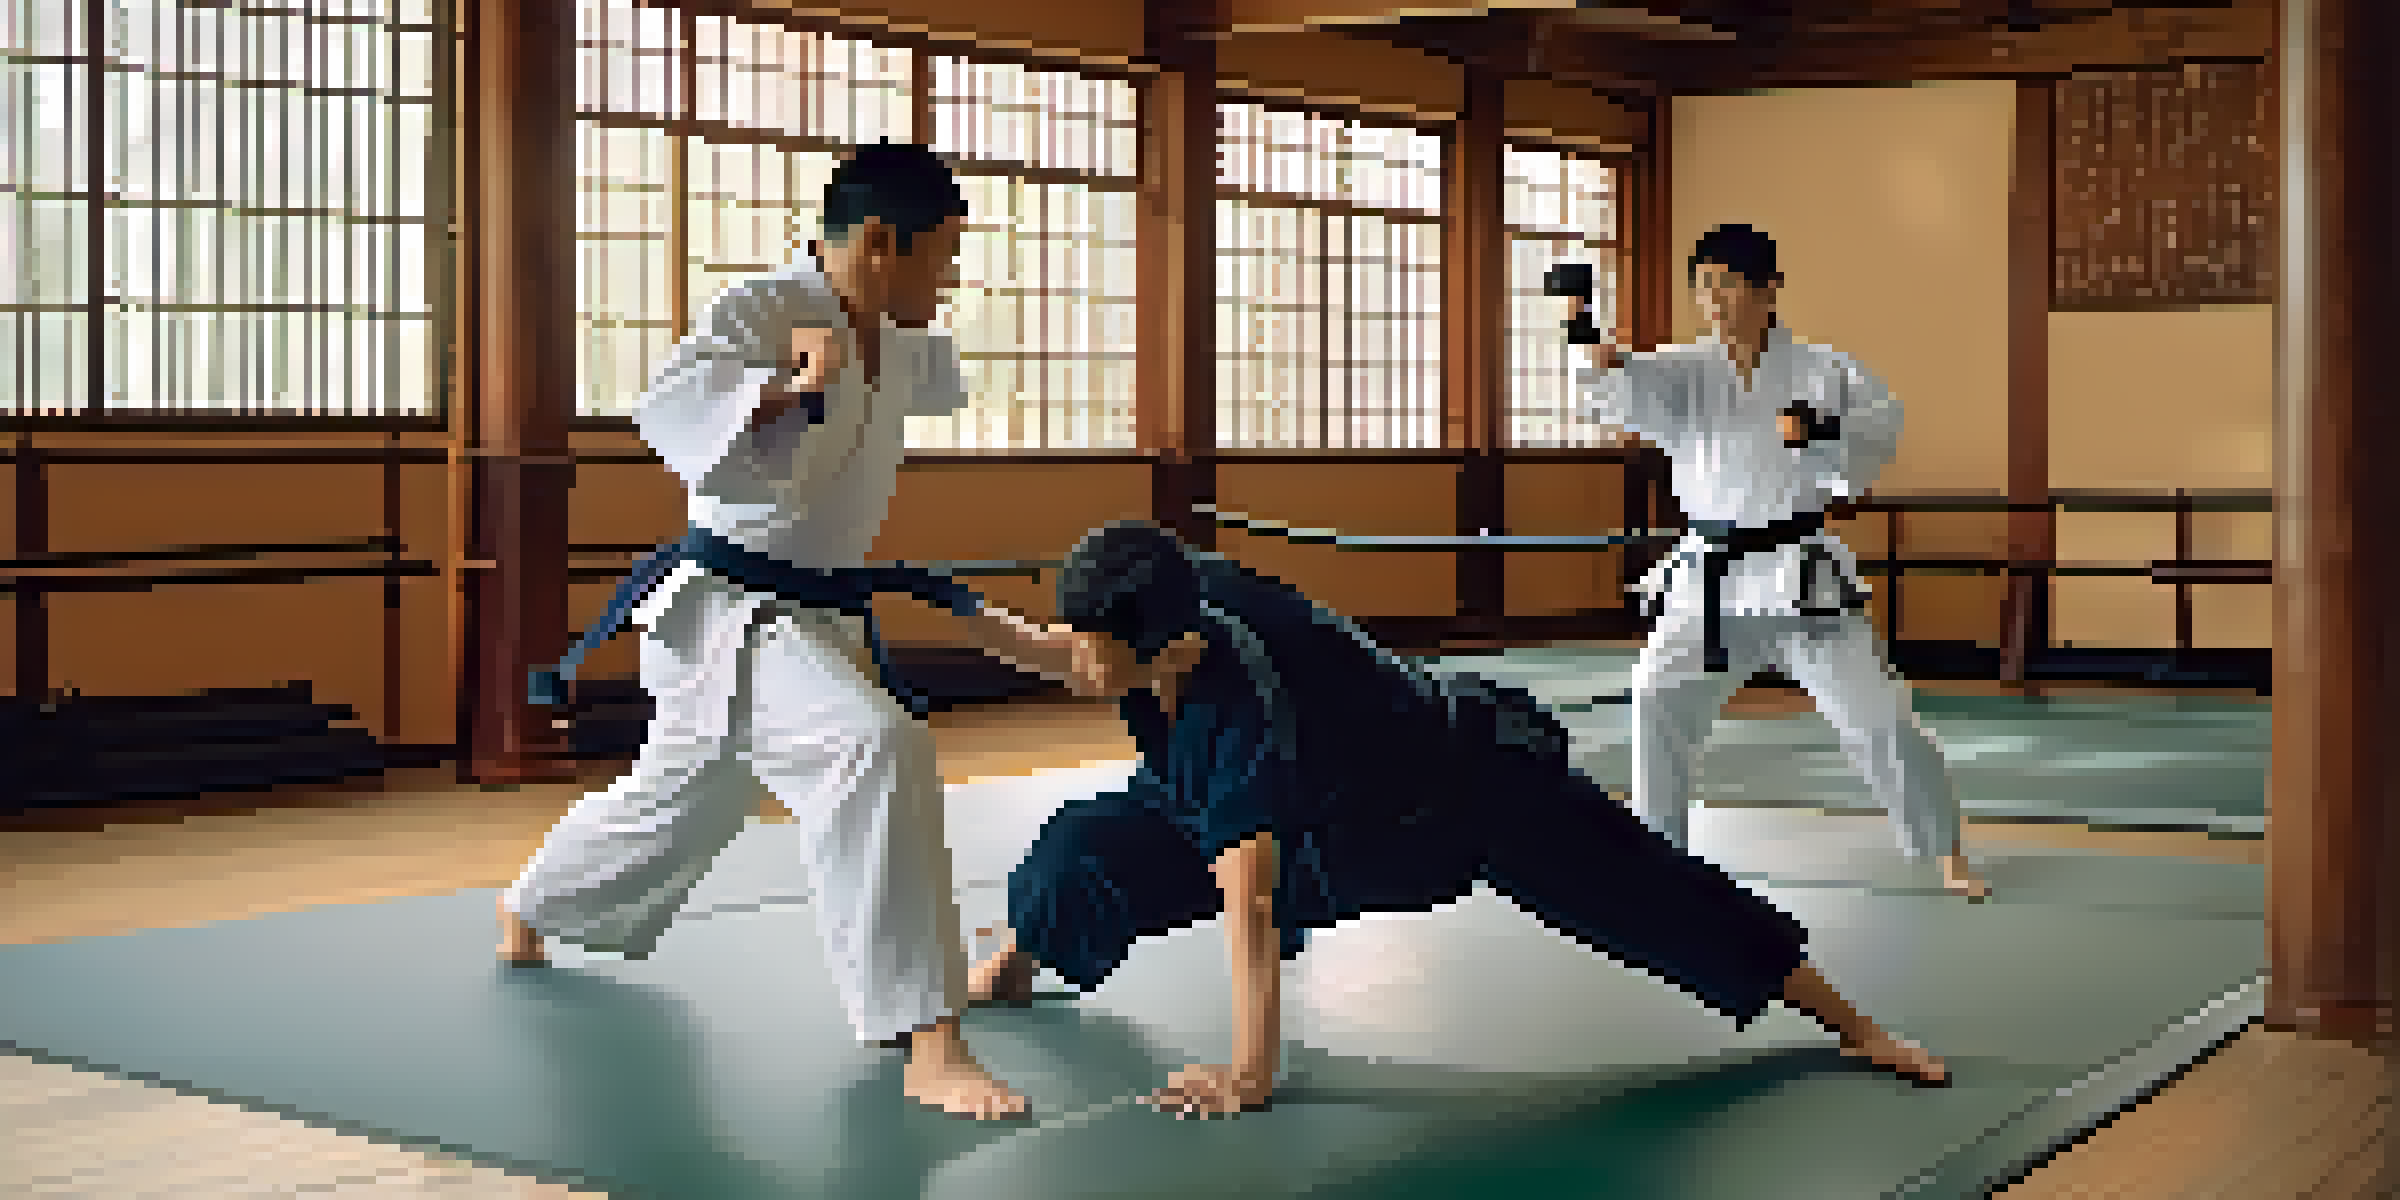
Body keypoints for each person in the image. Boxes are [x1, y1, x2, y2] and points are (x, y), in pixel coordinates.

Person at [946, 521, 1950, 1119]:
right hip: (1316, 786)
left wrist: (1249, 1075)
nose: (1072, 661)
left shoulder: (1245, 707)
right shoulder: (1160, 594)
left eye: (1090, 652)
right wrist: (940, 606)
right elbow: (1058, 649)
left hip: (1450, 791)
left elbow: (1247, 905)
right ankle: (1014, 967)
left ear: (1164, 651)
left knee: (1645, 887)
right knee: (1081, 843)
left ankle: (1855, 1026)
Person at [493, 142, 1034, 1121]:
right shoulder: (763, 309)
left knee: (680, 800)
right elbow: (671, 414)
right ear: (880, 239)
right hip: (731, 612)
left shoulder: (895, 328)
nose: (950, 279)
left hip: (812, 617)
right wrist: (792, 382)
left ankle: (534, 903)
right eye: (942, 254)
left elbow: (905, 396)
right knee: (878, 747)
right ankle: (928, 1038)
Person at [1569, 224, 1990, 899]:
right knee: (1656, 697)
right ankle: (1659, 855)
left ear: (1769, 288)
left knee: (1879, 717)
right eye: (1703, 285)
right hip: (1710, 574)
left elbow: (1880, 425)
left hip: (1799, 574)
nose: (1714, 300)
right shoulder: (1683, 369)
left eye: (1728, 283)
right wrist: (1591, 345)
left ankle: (1943, 849)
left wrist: (1819, 432)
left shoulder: (1825, 369)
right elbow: (1614, 394)